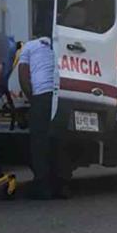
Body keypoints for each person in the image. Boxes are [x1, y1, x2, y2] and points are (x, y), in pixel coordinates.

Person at [18, 32, 70, 199]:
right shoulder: (62, 44)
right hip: (61, 96)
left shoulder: (29, 46)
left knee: (39, 142)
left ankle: (43, 185)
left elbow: (23, 76)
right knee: (59, 140)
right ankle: (62, 184)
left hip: (42, 95)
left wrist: (33, 99)